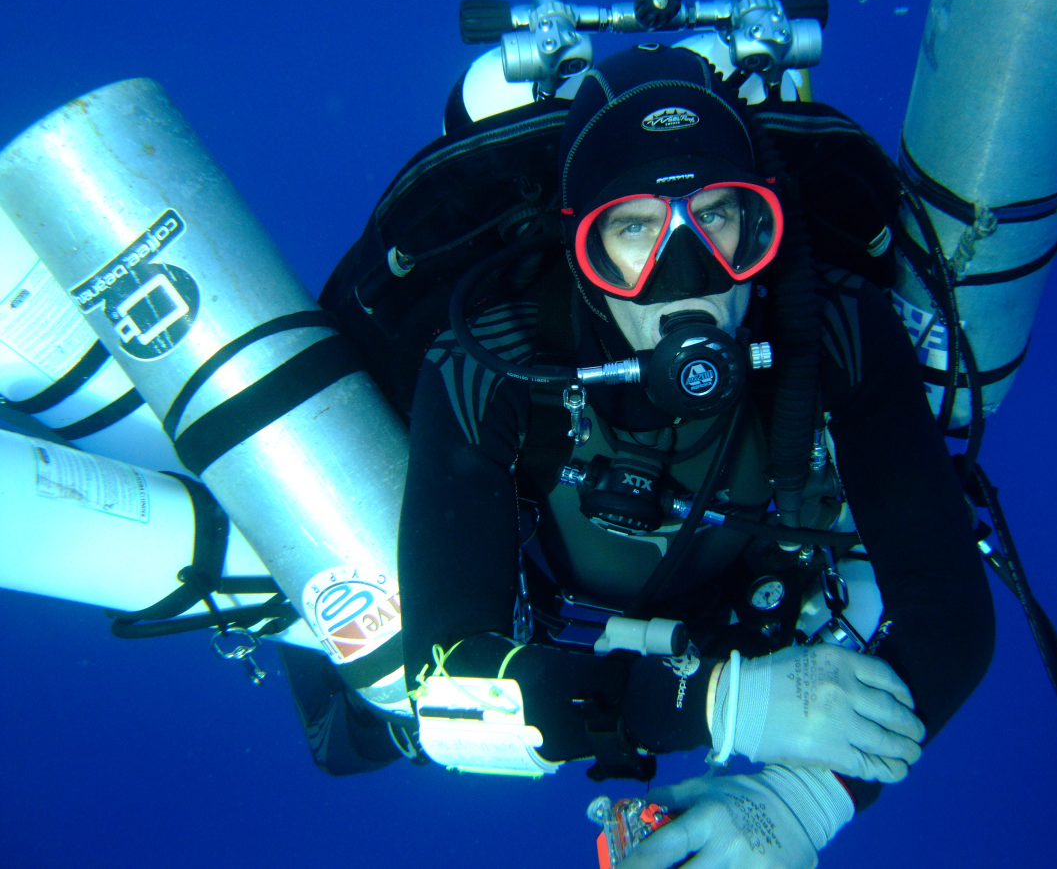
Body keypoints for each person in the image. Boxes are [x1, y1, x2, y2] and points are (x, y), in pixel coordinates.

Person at [284, 44, 994, 868]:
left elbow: (952, 614)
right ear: (579, 252)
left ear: (761, 223)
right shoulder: (492, 359)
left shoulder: (835, 328)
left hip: (748, 605)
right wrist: (724, 706)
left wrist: (796, 804)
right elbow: (450, 687)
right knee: (356, 735)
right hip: (544, 606)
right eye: (633, 229)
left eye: (720, 216)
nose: (687, 274)